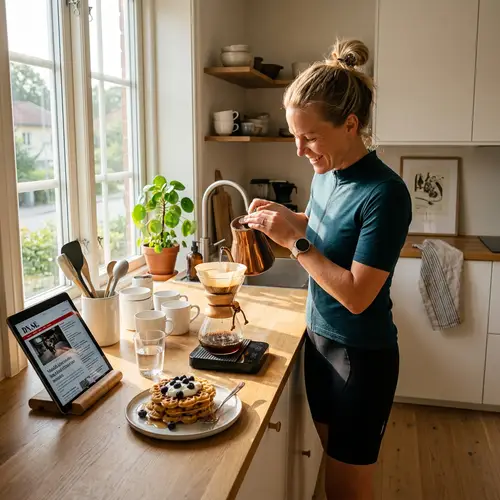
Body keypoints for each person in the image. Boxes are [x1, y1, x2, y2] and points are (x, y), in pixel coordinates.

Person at [241, 38, 412, 500]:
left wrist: (293, 242)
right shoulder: (325, 174)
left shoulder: (385, 194)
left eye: (310, 137)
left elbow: (357, 294)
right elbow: (321, 230)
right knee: (330, 472)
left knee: (347, 489)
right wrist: (286, 218)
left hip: (361, 357)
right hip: (318, 343)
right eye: (295, 135)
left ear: (351, 125)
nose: (299, 150)